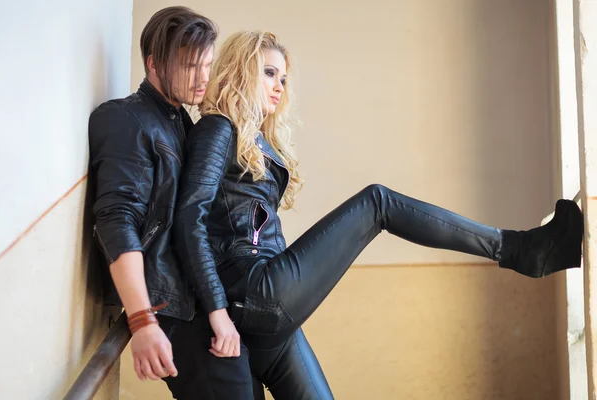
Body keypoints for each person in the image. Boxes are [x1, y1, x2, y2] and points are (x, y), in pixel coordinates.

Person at [173, 30, 584, 399]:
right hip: (252, 291)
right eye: (268, 73)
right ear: (241, 70)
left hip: (267, 313)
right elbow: (189, 219)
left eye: (283, 78)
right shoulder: (217, 128)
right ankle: (520, 249)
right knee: (377, 203)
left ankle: (525, 250)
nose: (279, 86)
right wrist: (216, 312)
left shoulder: (253, 139)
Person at [89, 7, 265, 400]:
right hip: (170, 308)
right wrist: (142, 319)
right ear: (153, 64)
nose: (204, 76)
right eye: (190, 65)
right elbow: (117, 220)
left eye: (207, 63)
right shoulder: (126, 119)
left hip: (194, 299)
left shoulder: (178, 120)